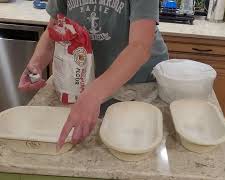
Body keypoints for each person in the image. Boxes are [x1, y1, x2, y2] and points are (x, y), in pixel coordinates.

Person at [18, 0, 168, 150]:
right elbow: (56, 28)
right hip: (87, 80)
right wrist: (37, 63)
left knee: (132, 147)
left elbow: (140, 46)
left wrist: (93, 95)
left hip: (137, 84)